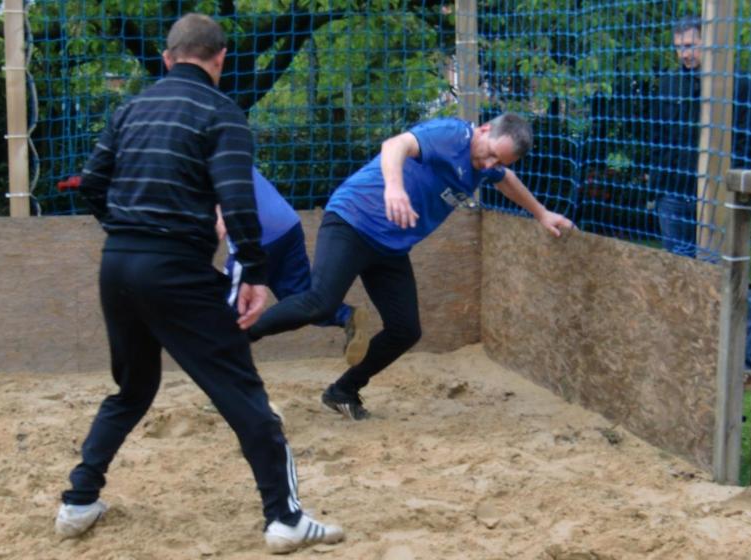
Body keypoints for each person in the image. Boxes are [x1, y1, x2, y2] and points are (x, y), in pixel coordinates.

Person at [54, 13, 343, 554]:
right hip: (176, 270)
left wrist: (125, 227)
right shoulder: (221, 112)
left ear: (168, 57)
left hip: (117, 263)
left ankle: (77, 501)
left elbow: (93, 182)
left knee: (132, 389)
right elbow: (236, 202)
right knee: (242, 392)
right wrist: (254, 273)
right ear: (220, 59)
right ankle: (285, 518)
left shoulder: (131, 106)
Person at [248, 113, 576, 420]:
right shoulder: (453, 135)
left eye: (497, 161)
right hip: (353, 220)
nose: (489, 164)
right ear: (485, 129)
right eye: (490, 154)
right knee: (320, 302)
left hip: (389, 247)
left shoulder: (486, 162)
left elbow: (506, 179)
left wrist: (541, 213)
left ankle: (343, 391)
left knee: (405, 330)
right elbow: (396, 145)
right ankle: (235, 338)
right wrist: (394, 187)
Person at [650, 15, 751, 368]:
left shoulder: (738, 86)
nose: (685, 53)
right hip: (674, 196)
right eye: (679, 47)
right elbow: (656, 137)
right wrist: (656, 183)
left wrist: (741, 195)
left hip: (719, 201)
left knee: (724, 276)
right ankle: (687, 361)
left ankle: (737, 366)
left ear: (709, 42)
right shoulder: (668, 85)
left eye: (691, 45)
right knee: (679, 278)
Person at [217, 167, 370, 366]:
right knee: (301, 297)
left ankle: (228, 388)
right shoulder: (227, 145)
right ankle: (346, 315)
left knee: (225, 318)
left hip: (254, 236)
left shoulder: (187, 152)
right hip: (287, 225)